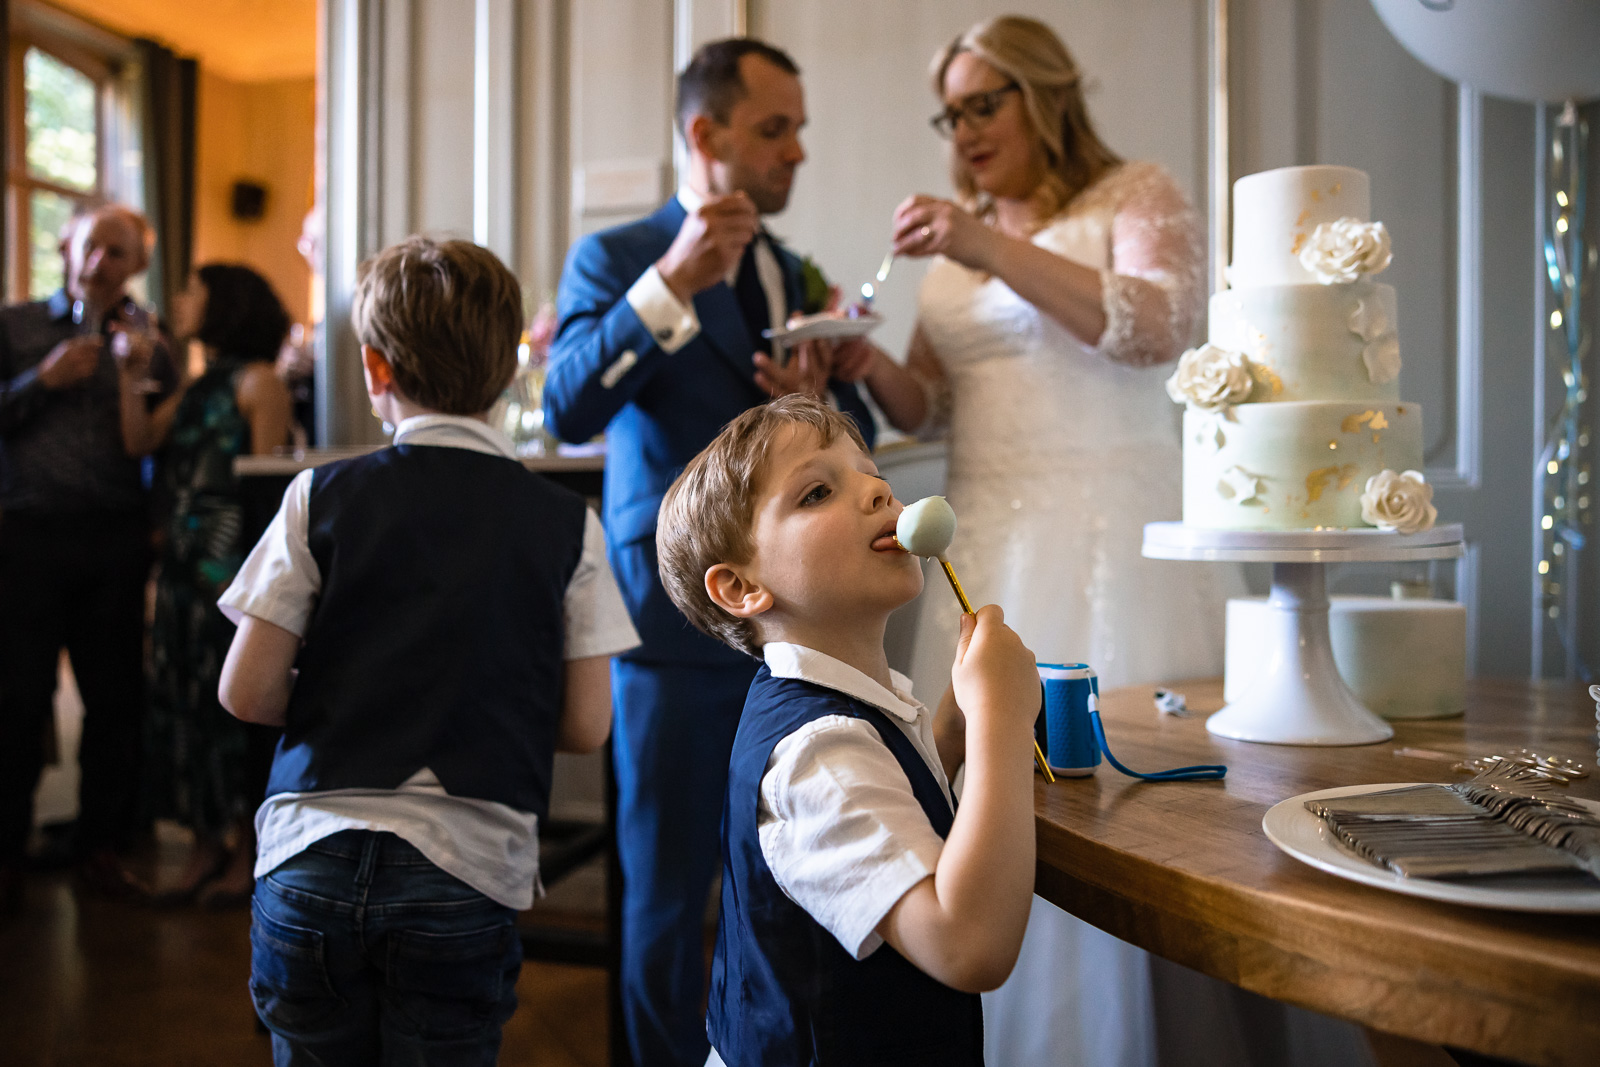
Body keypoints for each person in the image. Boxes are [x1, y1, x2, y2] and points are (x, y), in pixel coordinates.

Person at [834, 16, 1243, 1065]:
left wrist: (984, 244)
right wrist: (857, 360)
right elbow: (929, 401)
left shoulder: (1132, 193)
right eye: (951, 111)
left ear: (1044, 94)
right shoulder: (957, 239)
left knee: (1129, 804)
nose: (963, 130)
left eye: (984, 102)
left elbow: (1155, 328)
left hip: (1112, 538)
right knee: (979, 786)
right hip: (986, 542)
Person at [215, 236, 639, 1064]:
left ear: (375, 369)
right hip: (465, 869)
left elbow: (247, 691)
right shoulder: (565, 524)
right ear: (511, 369)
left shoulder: (318, 496)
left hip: (310, 857)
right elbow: (588, 724)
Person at [543, 37, 877, 1066]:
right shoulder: (616, 258)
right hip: (672, 622)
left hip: (803, 618)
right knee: (664, 889)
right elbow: (566, 406)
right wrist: (672, 282)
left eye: (797, 130)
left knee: (803, 868)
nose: (797, 153)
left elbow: (848, 429)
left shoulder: (795, 274)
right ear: (706, 134)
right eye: (776, 130)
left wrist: (824, 389)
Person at [654, 394, 1039, 1066]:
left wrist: (952, 725)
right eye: (818, 491)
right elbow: (969, 942)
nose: (877, 491)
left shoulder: (841, 707)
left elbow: (892, 787)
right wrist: (1003, 722)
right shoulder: (818, 754)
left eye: (870, 471)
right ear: (742, 587)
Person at [0, 204, 176, 911]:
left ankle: (102, 845)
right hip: (27, 536)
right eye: (92, 245)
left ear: (135, 265)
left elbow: (159, 445)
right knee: (15, 697)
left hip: (114, 538)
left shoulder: (150, 340)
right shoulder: (15, 327)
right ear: (66, 246)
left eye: (118, 251)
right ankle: (6, 852)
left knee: (114, 698)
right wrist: (40, 379)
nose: (101, 261)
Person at [116, 264, 294, 906]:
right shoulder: (194, 386)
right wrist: (130, 374)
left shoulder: (260, 381)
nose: (181, 301)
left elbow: (266, 490)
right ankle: (200, 847)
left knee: (231, 713)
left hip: (232, 569)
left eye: (194, 290)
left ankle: (244, 854)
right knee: (183, 705)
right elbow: (138, 440)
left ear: (227, 304)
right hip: (184, 570)